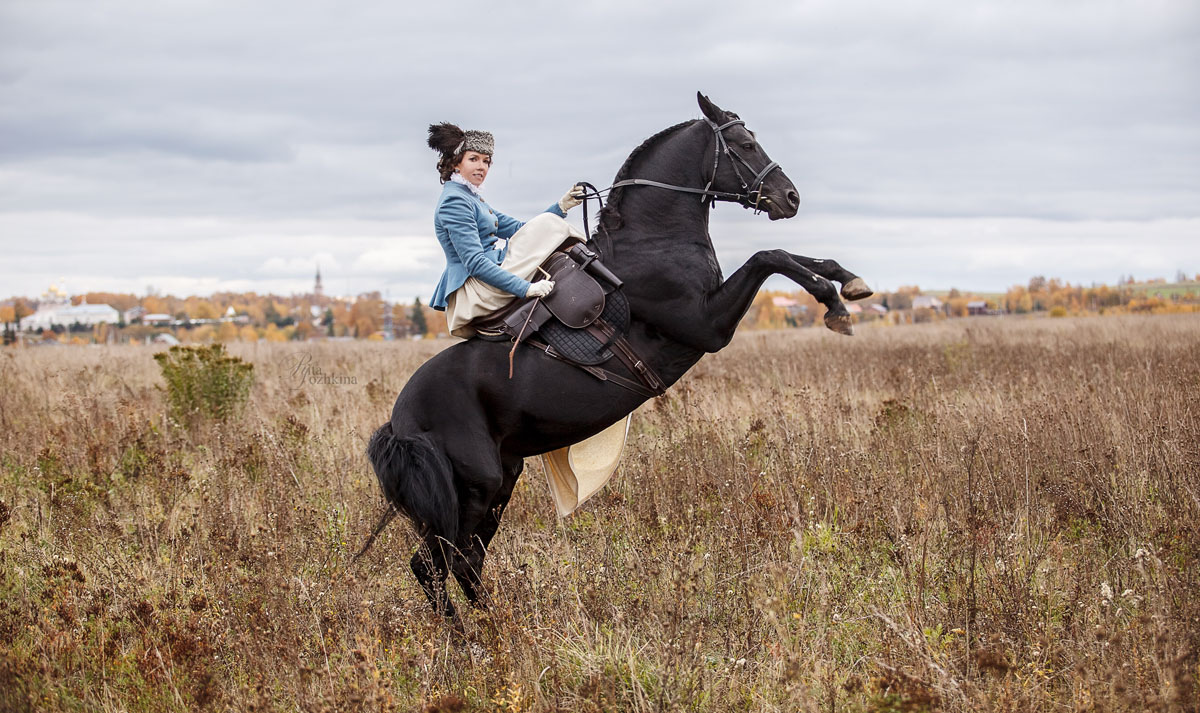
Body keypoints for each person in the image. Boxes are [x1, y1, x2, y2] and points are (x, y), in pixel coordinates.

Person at [426, 123, 586, 338]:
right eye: (473, 159)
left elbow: (521, 230)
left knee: (548, 224)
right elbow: (474, 263)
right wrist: (526, 288)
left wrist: (561, 207)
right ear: (456, 163)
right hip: (479, 287)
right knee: (548, 226)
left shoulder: (471, 198)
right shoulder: (454, 202)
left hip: (491, 270)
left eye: (486, 161)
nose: (482, 167)